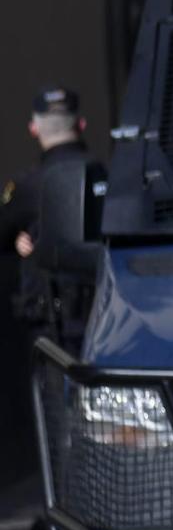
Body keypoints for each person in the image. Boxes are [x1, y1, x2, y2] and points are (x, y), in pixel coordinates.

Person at [4, 86, 105, 345]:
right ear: (81, 124)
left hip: (51, 326)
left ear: (33, 129)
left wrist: (16, 238)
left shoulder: (27, 185)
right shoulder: (107, 175)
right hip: (106, 316)